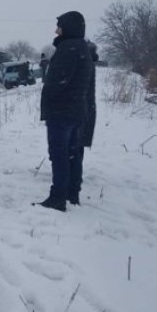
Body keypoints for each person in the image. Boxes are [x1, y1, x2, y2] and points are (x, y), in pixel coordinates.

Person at [37, 11, 93, 212]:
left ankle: (57, 198)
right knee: (71, 153)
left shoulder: (68, 48)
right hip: (75, 110)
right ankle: (72, 193)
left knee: (59, 154)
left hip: (62, 112)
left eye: (59, 26)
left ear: (67, 27)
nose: (56, 30)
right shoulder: (81, 47)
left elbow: (57, 81)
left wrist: (48, 97)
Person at [68, 41, 99, 205]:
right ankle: (74, 182)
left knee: (74, 148)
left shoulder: (86, 65)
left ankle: (73, 187)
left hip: (82, 110)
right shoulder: (90, 63)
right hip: (86, 109)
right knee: (77, 148)